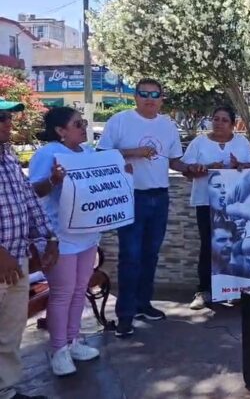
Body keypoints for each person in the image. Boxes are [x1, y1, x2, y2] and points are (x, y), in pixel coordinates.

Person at [97, 78, 206, 337]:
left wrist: (192, 170)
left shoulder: (167, 125)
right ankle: (125, 315)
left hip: (160, 195)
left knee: (151, 255)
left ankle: (143, 304)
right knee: (130, 257)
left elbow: (174, 161)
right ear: (134, 96)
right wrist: (133, 152)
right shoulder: (119, 121)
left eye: (154, 94)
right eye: (143, 93)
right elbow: (101, 154)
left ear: (161, 98)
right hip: (130, 196)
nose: (149, 98)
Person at [28, 108, 102, 376]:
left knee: (80, 289)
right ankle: (58, 350)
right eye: (77, 124)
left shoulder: (89, 153)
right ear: (60, 130)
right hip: (59, 238)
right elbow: (34, 192)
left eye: (83, 123)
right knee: (62, 293)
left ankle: (73, 341)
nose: (83, 127)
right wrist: (54, 180)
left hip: (87, 234)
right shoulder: (47, 154)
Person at [0, 102, 58, 399]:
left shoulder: (8, 158)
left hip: (17, 261)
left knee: (10, 332)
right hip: (3, 259)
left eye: (8, 117)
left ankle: (6, 390)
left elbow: (28, 202)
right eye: (1, 118)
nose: (8, 123)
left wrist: (48, 239)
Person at [180, 106, 250, 310]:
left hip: (235, 203)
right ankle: (205, 291)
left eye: (224, 120)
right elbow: (186, 170)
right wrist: (198, 169)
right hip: (206, 201)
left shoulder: (242, 142)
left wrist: (238, 165)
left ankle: (234, 290)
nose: (219, 123)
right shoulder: (199, 142)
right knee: (208, 245)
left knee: (235, 243)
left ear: (232, 124)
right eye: (216, 119)